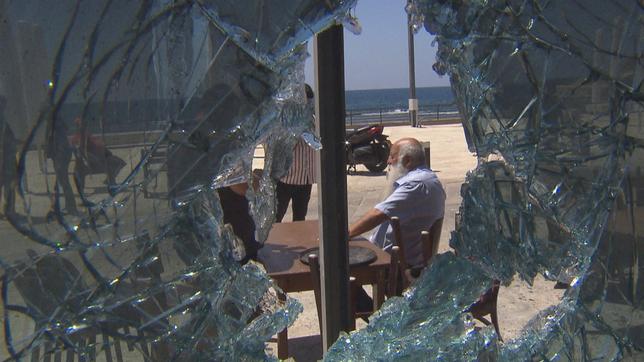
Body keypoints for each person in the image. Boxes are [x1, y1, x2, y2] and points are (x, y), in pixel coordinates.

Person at [348, 138, 446, 312]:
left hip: (397, 267)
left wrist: (347, 233)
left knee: (336, 271)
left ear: (407, 160)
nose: (388, 161)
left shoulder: (417, 184)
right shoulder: (425, 179)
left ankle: (375, 319)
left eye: (392, 157)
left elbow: (379, 214)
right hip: (394, 258)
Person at [275, 84, 317, 222]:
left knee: (300, 217)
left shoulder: (315, 121)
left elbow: (318, 145)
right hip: (286, 178)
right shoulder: (287, 120)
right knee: (277, 217)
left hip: (305, 178)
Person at [68, 117, 126, 192]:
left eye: (84, 125)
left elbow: (96, 144)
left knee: (120, 162)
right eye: (82, 125)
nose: (85, 127)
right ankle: (111, 183)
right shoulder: (79, 137)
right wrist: (97, 160)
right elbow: (82, 152)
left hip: (101, 157)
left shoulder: (86, 134)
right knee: (114, 163)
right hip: (94, 163)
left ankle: (110, 181)